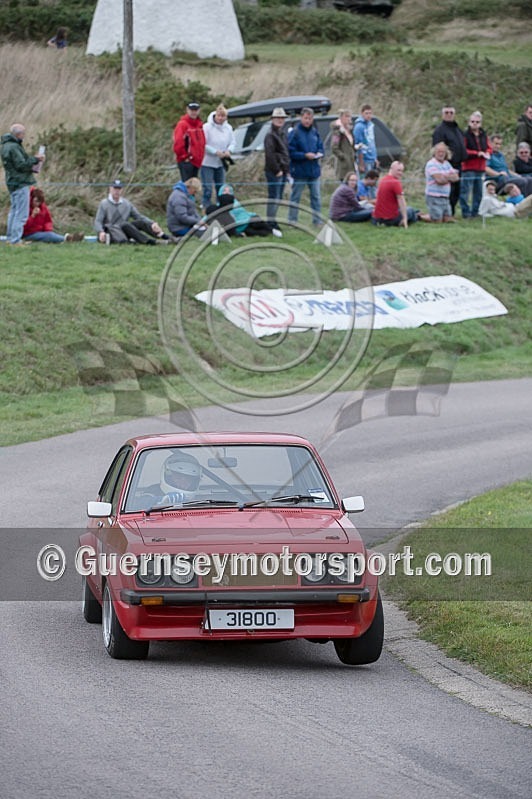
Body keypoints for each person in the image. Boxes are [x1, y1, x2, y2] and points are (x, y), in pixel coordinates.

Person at [1, 123, 45, 245]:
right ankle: (15, 240)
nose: (24, 136)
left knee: (14, 211)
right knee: (21, 213)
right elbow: (21, 165)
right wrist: (36, 159)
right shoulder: (14, 147)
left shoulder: (6, 146)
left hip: (12, 182)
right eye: (23, 133)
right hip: (20, 182)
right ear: (18, 134)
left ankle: (10, 238)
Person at [94, 180, 169, 244]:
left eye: (119, 189)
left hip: (125, 229)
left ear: (122, 190)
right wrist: (101, 232)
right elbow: (98, 221)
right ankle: (149, 241)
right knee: (125, 224)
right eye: (115, 188)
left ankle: (163, 236)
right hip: (112, 231)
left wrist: (152, 223)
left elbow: (138, 216)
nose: (117, 191)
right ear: (110, 189)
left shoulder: (127, 203)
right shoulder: (104, 203)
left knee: (140, 222)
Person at [287, 107, 324, 226]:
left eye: (310, 118)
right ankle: (292, 220)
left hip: (314, 170)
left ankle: (317, 220)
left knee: (316, 197)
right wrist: (304, 155)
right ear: (301, 118)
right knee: (296, 197)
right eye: (306, 118)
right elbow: (290, 152)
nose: (308, 121)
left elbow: (321, 147)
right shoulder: (295, 133)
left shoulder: (315, 132)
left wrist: (319, 153)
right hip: (300, 171)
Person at [431, 106, 467, 215]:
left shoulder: (457, 129)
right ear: (443, 114)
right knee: (448, 191)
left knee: (457, 191)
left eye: (451, 112)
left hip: (459, 165)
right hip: (447, 165)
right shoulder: (439, 130)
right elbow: (437, 148)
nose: (449, 114)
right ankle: (446, 213)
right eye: (446, 112)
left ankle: (451, 213)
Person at [201, 104, 236, 210]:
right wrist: (215, 152)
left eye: (223, 116)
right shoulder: (206, 127)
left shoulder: (228, 128)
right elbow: (203, 144)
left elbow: (233, 142)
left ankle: (220, 209)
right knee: (207, 188)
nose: (220, 118)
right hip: (207, 162)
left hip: (221, 163)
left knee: (221, 187)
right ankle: (206, 208)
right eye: (219, 116)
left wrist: (229, 150)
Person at [459, 111, 491, 219]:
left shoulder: (483, 135)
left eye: (477, 122)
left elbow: (489, 147)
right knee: (465, 192)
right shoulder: (465, 135)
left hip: (481, 167)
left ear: (480, 123)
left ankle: (475, 212)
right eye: (472, 121)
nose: (475, 124)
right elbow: (463, 150)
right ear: (469, 122)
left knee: (479, 192)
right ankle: (465, 212)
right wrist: (477, 153)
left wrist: (487, 153)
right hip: (468, 167)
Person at [264, 107, 289, 235]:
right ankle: (270, 222)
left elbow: (285, 152)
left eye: (282, 118)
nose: (280, 120)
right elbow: (269, 155)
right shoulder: (270, 135)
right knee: (274, 197)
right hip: (275, 170)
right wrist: (277, 170)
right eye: (278, 118)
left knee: (278, 197)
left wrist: (286, 169)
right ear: (273, 119)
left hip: (282, 169)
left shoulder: (282, 133)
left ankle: (273, 221)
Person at [371, 161, 420, 227]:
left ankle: (417, 214)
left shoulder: (382, 180)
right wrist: (405, 218)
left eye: (402, 171)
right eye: (398, 170)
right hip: (389, 219)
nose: (400, 173)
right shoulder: (395, 182)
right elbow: (401, 201)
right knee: (410, 210)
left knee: (413, 210)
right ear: (391, 169)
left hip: (376, 219)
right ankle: (417, 218)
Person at [423, 143, 459, 222]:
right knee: (437, 220)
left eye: (443, 152)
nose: (441, 154)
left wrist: (444, 177)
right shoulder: (431, 164)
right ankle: (419, 216)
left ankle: (431, 215)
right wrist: (449, 177)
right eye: (439, 151)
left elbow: (456, 178)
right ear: (434, 152)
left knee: (448, 220)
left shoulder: (447, 164)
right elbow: (439, 181)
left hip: (445, 196)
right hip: (434, 196)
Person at [173, 102, 205, 181]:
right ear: (187, 110)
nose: (194, 112)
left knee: (194, 186)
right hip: (186, 161)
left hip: (197, 161)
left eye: (196, 110)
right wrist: (184, 157)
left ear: (199, 111)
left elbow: (202, 142)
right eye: (192, 110)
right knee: (187, 185)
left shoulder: (200, 125)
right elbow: (178, 143)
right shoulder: (182, 124)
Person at [330, 109, 356, 181]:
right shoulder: (337, 132)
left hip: (351, 164)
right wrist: (343, 157)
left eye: (350, 116)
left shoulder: (350, 130)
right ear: (341, 117)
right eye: (346, 116)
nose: (348, 118)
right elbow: (334, 147)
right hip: (343, 166)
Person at [353, 104, 379, 175]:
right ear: (362, 114)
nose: (368, 115)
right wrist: (361, 163)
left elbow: (372, 143)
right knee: (365, 179)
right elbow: (358, 145)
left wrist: (375, 158)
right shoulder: (359, 127)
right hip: (365, 159)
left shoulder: (370, 125)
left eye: (370, 113)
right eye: (366, 113)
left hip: (371, 158)